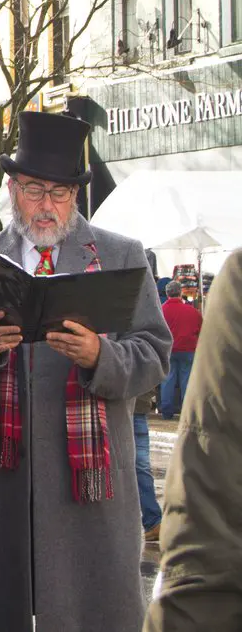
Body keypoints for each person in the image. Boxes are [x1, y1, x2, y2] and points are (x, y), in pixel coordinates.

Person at [0, 111, 172, 632]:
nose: (46, 204)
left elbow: (154, 354)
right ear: (13, 189)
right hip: (1, 477)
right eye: (35, 189)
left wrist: (100, 357)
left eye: (59, 193)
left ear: (76, 196)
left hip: (87, 485)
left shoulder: (119, 255)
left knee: (91, 612)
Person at [143, 250, 242, 631]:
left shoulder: (167, 309)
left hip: (177, 353)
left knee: (174, 387)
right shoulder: (191, 308)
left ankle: (169, 410)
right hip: (189, 350)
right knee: (183, 384)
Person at [159, 280, 202, 419]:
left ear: (167, 293)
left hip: (168, 350)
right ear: (181, 293)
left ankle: (166, 412)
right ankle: (187, 412)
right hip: (188, 350)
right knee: (187, 381)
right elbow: (201, 330)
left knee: (167, 380)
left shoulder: (161, 311)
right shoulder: (192, 311)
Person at [133, 387, 163, 543]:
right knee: (141, 466)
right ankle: (152, 521)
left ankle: (151, 521)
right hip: (139, 406)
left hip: (123, 407)